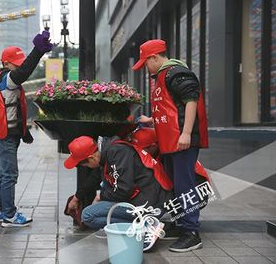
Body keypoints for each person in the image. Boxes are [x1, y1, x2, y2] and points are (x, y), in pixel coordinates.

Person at [132, 39, 209, 252]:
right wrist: (151, 120)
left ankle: (191, 232)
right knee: (176, 183)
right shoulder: (164, 76)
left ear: (155, 57)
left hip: (182, 141)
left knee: (185, 184)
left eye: (146, 63)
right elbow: (170, 109)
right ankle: (182, 223)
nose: (146, 68)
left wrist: (185, 134)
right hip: (171, 141)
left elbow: (191, 101)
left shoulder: (176, 73)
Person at [0, 30, 53, 227]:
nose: (19, 65)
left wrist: (23, 133)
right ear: (6, 63)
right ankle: (9, 215)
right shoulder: (6, 78)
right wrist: (38, 51)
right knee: (10, 175)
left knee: (4, 174)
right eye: (16, 62)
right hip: (4, 137)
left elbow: (14, 110)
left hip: (6, 135)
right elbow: (24, 72)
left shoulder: (4, 79)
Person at [64, 133, 174, 248]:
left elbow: (123, 191)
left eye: (82, 164)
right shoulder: (106, 152)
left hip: (150, 202)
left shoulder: (117, 153)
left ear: (92, 157)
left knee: (88, 215)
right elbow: (94, 179)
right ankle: (145, 224)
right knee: (95, 210)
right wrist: (77, 197)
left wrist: (101, 196)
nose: (84, 167)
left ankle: (147, 226)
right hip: (144, 197)